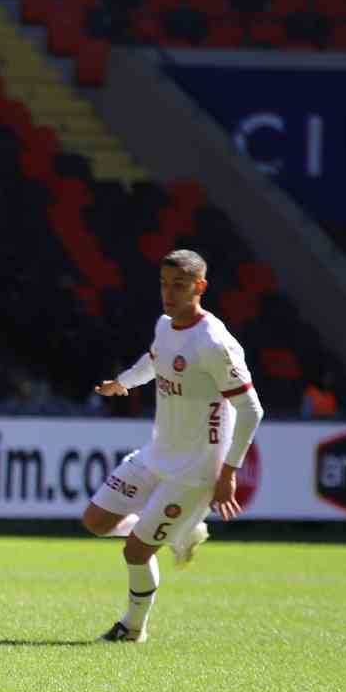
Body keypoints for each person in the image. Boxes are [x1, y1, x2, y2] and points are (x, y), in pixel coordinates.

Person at [85, 249, 264, 643]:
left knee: (135, 551)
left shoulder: (214, 343)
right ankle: (179, 534)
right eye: (164, 284)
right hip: (156, 455)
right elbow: (155, 360)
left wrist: (229, 472)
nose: (169, 293)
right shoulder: (166, 325)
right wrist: (124, 383)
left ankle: (133, 628)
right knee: (96, 521)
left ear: (200, 287)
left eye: (179, 285)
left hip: (195, 472)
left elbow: (251, 410)